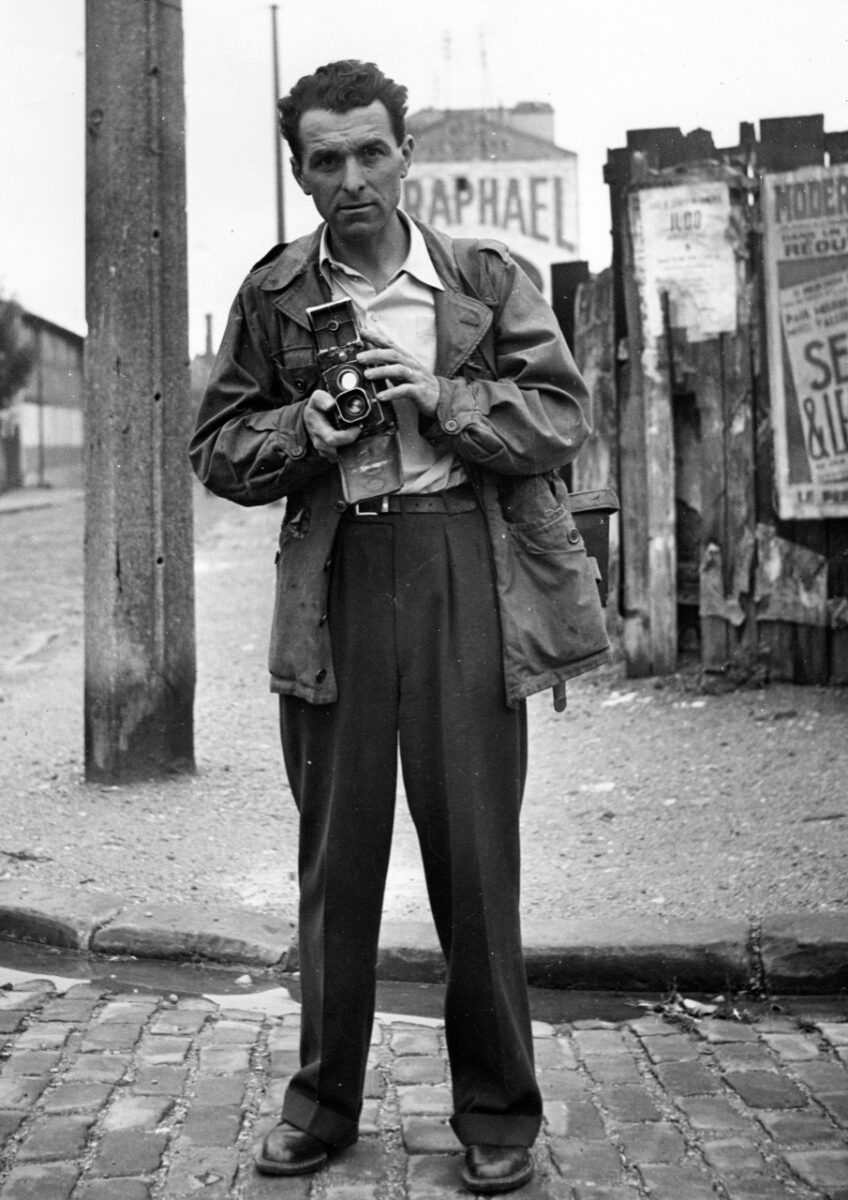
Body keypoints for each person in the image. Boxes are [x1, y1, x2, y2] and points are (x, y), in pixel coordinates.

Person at [190, 59, 609, 1195]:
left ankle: (496, 1114)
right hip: (334, 578)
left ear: (404, 153)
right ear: (300, 171)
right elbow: (216, 447)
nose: (352, 177)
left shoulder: (477, 277)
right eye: (325, 159)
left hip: (461, 570)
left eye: (370, 151)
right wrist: (302, 430)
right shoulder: (277, 295)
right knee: (336, 861)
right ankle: (322, 1106)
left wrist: (444, 399)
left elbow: (561, 416)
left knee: (475, 856)